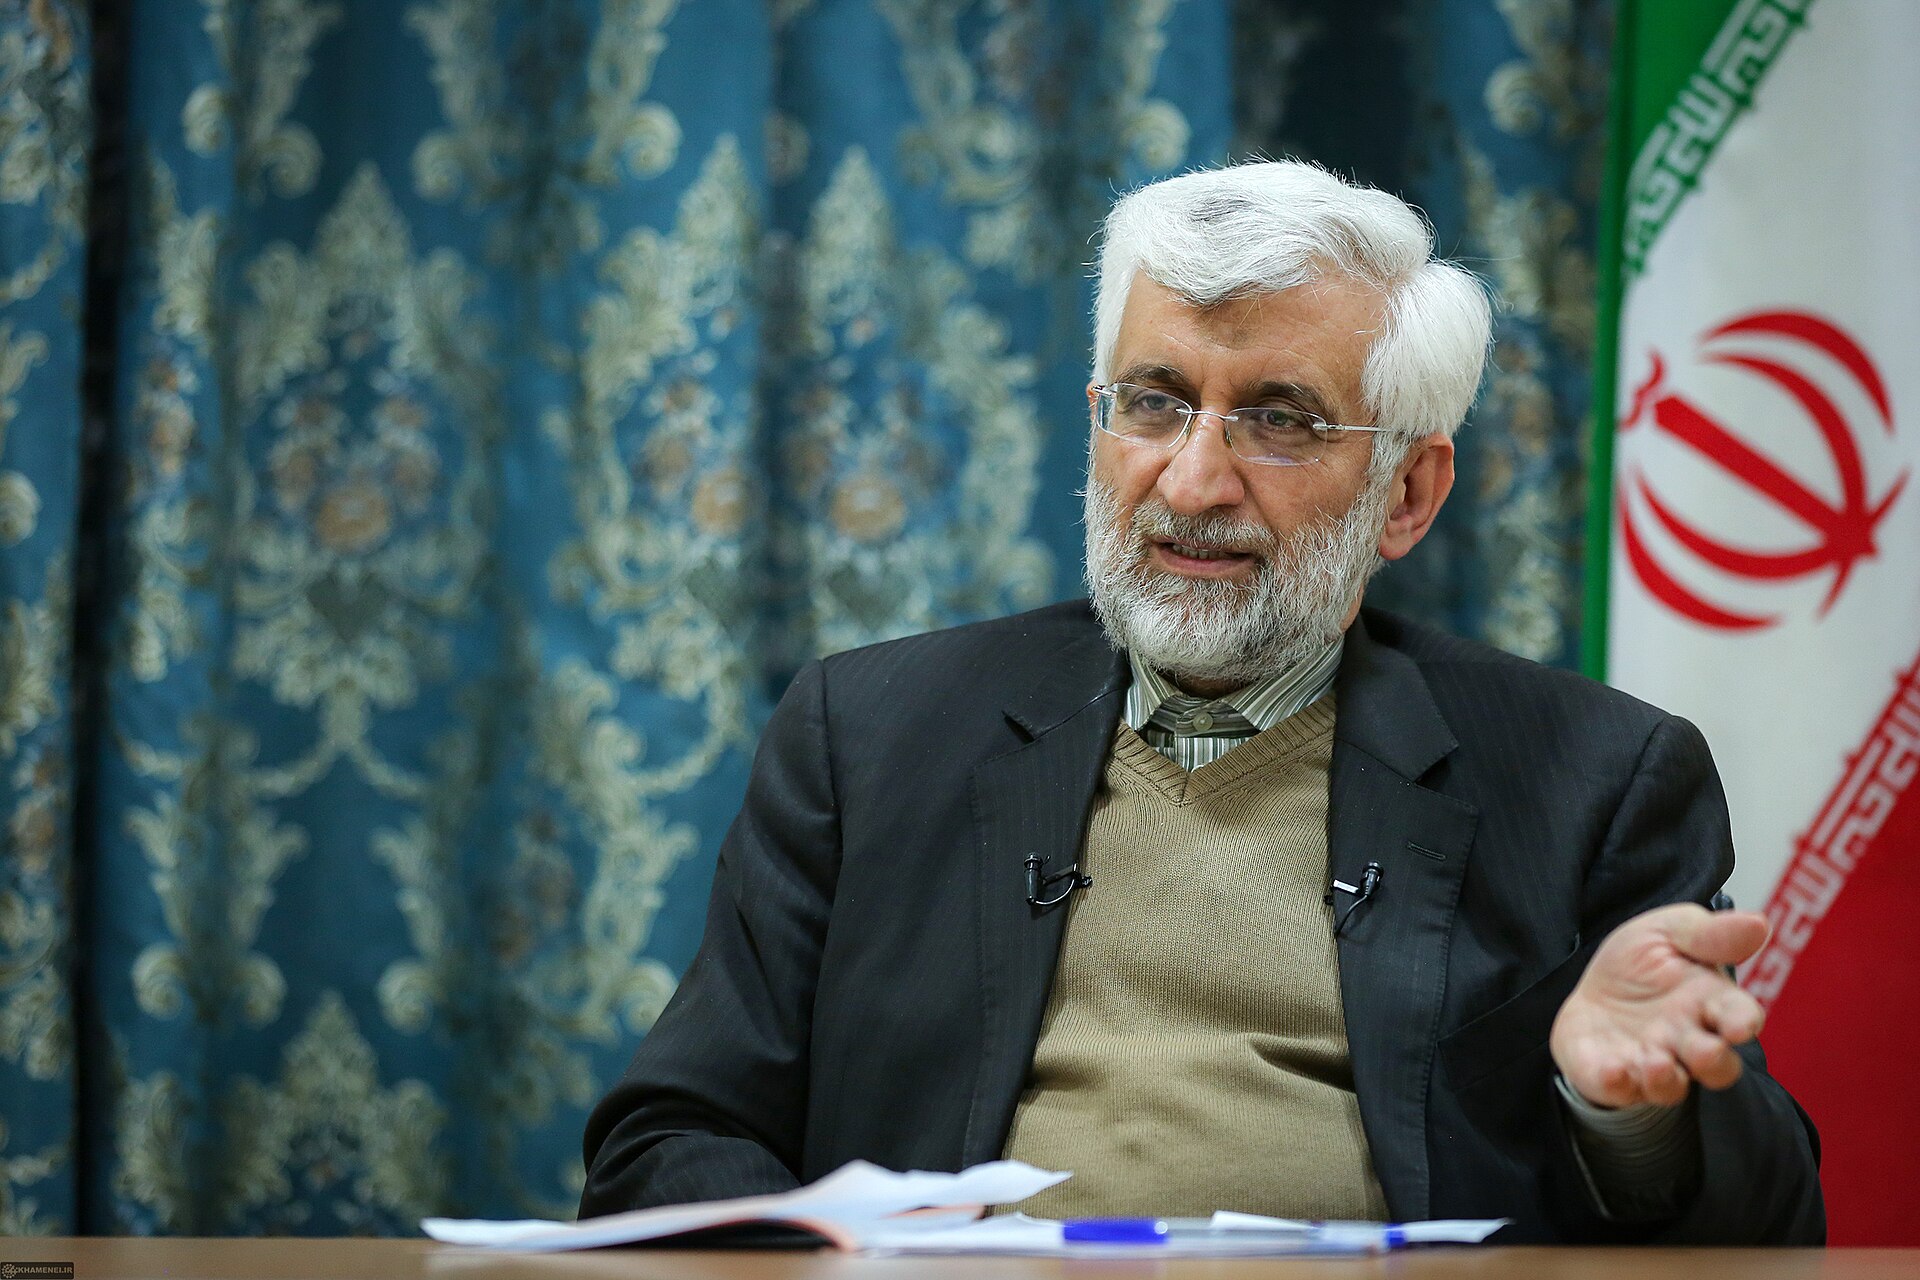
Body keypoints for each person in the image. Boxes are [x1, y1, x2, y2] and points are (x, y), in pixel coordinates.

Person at [578, 161, 1823, 1243]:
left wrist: (1627, 1113)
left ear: (1406, 492)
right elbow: (672, 1137)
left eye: (1278, 420)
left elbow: (1774, 1228)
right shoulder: (870, 732)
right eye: (1156, 401)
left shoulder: (1591, 776)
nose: (1192, 476)